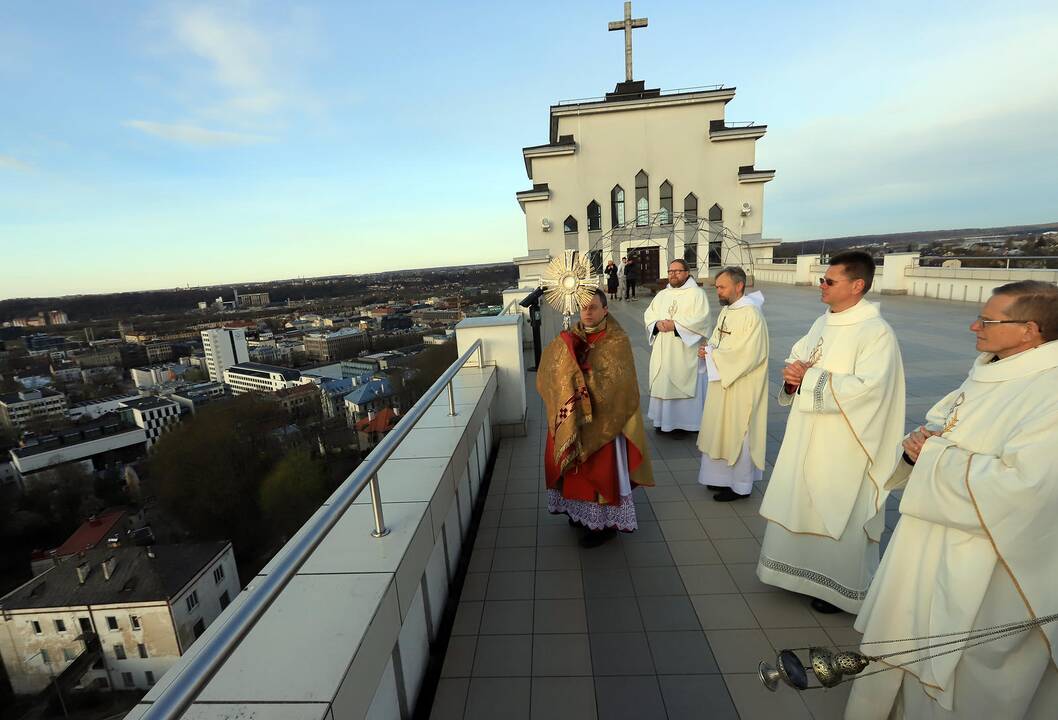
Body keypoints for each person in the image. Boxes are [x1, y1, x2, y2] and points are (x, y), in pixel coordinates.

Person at [845, 280, 1058, 719]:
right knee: (905, 630)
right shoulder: (993, 367)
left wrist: (935, 455)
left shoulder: (1049, 392)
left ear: (1029, 330)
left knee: (958, 661)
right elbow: (945, 425)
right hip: (928, 536)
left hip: (984, 560)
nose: (972, 325)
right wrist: (915, 447)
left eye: (988, 320)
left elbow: (1027, 486)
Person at [756, 251, 905, 614]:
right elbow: (801, 358)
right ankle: (794, 573)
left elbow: (870, 389)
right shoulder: (825, 322)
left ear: (857, 286)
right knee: (801, 498)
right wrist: (793, 377)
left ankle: (836, 588)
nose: (821, 285)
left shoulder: (876, 332)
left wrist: (808, 379)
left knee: (837, 506)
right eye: (822, 279)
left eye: (829, 281)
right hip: (807, 432)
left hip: (846, 441)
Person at [538, 288, 654, 548]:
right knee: (575, 470)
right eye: (584, 307)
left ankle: (604, 526)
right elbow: (552, 370)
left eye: (593, 307)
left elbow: (616, 382)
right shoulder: (572, 335)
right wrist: (564, 357)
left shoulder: (617, 340)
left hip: (604, 422)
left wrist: (579, 376)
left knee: (599, 470)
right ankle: (578, 514)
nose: (587, 312)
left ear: (605, 309)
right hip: (575, 418)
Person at [695, 266, 769, 502]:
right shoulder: (728, 310)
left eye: (722, 287)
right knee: (719, 429)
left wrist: (713, 356)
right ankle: (719, 478)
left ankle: (739, 485)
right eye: (717, 287)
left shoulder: (751, 315)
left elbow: (747, 355)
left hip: (742, 386)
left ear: (739, 286)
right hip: (723, 382)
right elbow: (719, 342)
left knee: (739, 432)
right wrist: (707, 351)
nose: (718, 291)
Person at [644, 259, 712, 433]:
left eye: (678, 271)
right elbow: (649, 315)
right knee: (664, 381)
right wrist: (656, 324)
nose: (673, 274)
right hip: (663, 348)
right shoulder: (662, 295)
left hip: (685, 350)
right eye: (670, 271)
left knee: (682, 380)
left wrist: (676, 326)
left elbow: (702, 320)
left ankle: (686, 424)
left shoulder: (697, 294)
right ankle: (663, 422)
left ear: (687, 273)